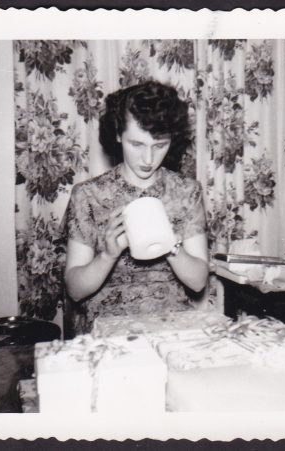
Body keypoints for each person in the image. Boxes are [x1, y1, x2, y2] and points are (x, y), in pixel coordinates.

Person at [63, 81, 209, 336]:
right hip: (107, 330)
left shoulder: (187, 192)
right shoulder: (88, 195)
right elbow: (75, 290)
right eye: (137, 144)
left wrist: (171, 245)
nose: (148, 159)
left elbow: (198, 282)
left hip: (170, 327)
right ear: (118, 134)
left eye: (159, 145)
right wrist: (107, 255)